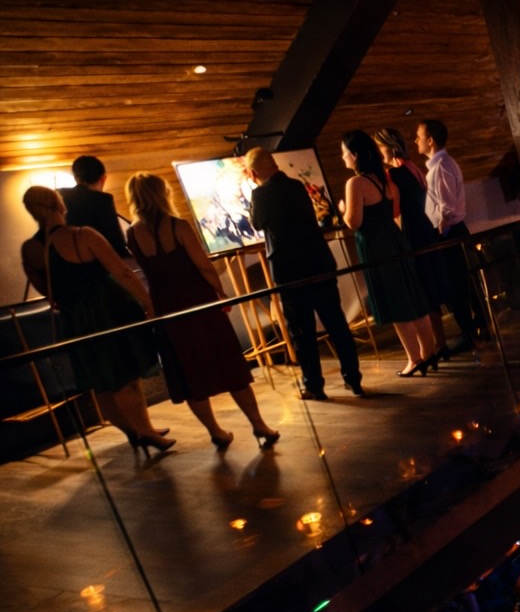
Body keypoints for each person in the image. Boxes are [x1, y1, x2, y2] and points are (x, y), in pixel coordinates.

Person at [124, 172, 280, 451]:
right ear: (163, 194)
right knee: (229, 364)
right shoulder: (178, 226)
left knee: (189, 372)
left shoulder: (132, 234)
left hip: (166, 306)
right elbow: (203, 265)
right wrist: (220, 293)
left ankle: (216, 431)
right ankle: (258, 424)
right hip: (197, 302)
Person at [19, 186, 170, 455]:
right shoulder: (82, 235)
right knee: (127, 375)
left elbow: (46, 291)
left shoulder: (30, 249)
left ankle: (133, 431)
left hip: (74, 318)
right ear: (60, 205)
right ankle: (146, 431)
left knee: (101, 381)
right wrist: (147, 302)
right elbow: (122, 271)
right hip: (108, 309)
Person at [246, 147, 363, 401]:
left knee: (302, 332)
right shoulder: (298, 186)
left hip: (290, 272)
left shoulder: (260, 194)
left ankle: (314, 385)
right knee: (337, 323)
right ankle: (353, 378)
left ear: (253, 173)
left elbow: (256, 223)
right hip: (319, 264)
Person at [339, 130, 439, 377]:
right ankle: (429, 353)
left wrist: (342, 209)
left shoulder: (356, 183)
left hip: (376, 247)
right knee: (413, 297)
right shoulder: (386, 180)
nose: (342, 159)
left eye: (343, 154)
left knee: (395, 303)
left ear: (354, 155)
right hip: (397, 241)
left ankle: (414, 359)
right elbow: (394, 212)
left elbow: (354, 221)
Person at [375, 127, 454, 365]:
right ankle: (440, 342)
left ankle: (436, 345)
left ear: (389, 147)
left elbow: (395, 210)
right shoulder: (413, 168)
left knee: (424, 287)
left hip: (412, 230)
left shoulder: (394, 173)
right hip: (425, 227)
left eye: (380, 147)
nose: (379, 153)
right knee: (432, 284)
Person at [415, 119, 486, 349]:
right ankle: (477, 329)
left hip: (449, 233)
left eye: (419, 136)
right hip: (451, 232)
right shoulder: (441, 165)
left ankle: (470, 334)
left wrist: (439, 232)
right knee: (461, 283)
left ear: (430, 140)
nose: (416, 141)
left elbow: (447, 207)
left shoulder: (442, 166)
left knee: (455, 286)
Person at [60, 155, 130, 258]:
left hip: (64, 261)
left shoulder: (60, 196)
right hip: (95, 263)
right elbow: (116, 242)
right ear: (103, 179)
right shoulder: (102, 200)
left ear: (76, 178)